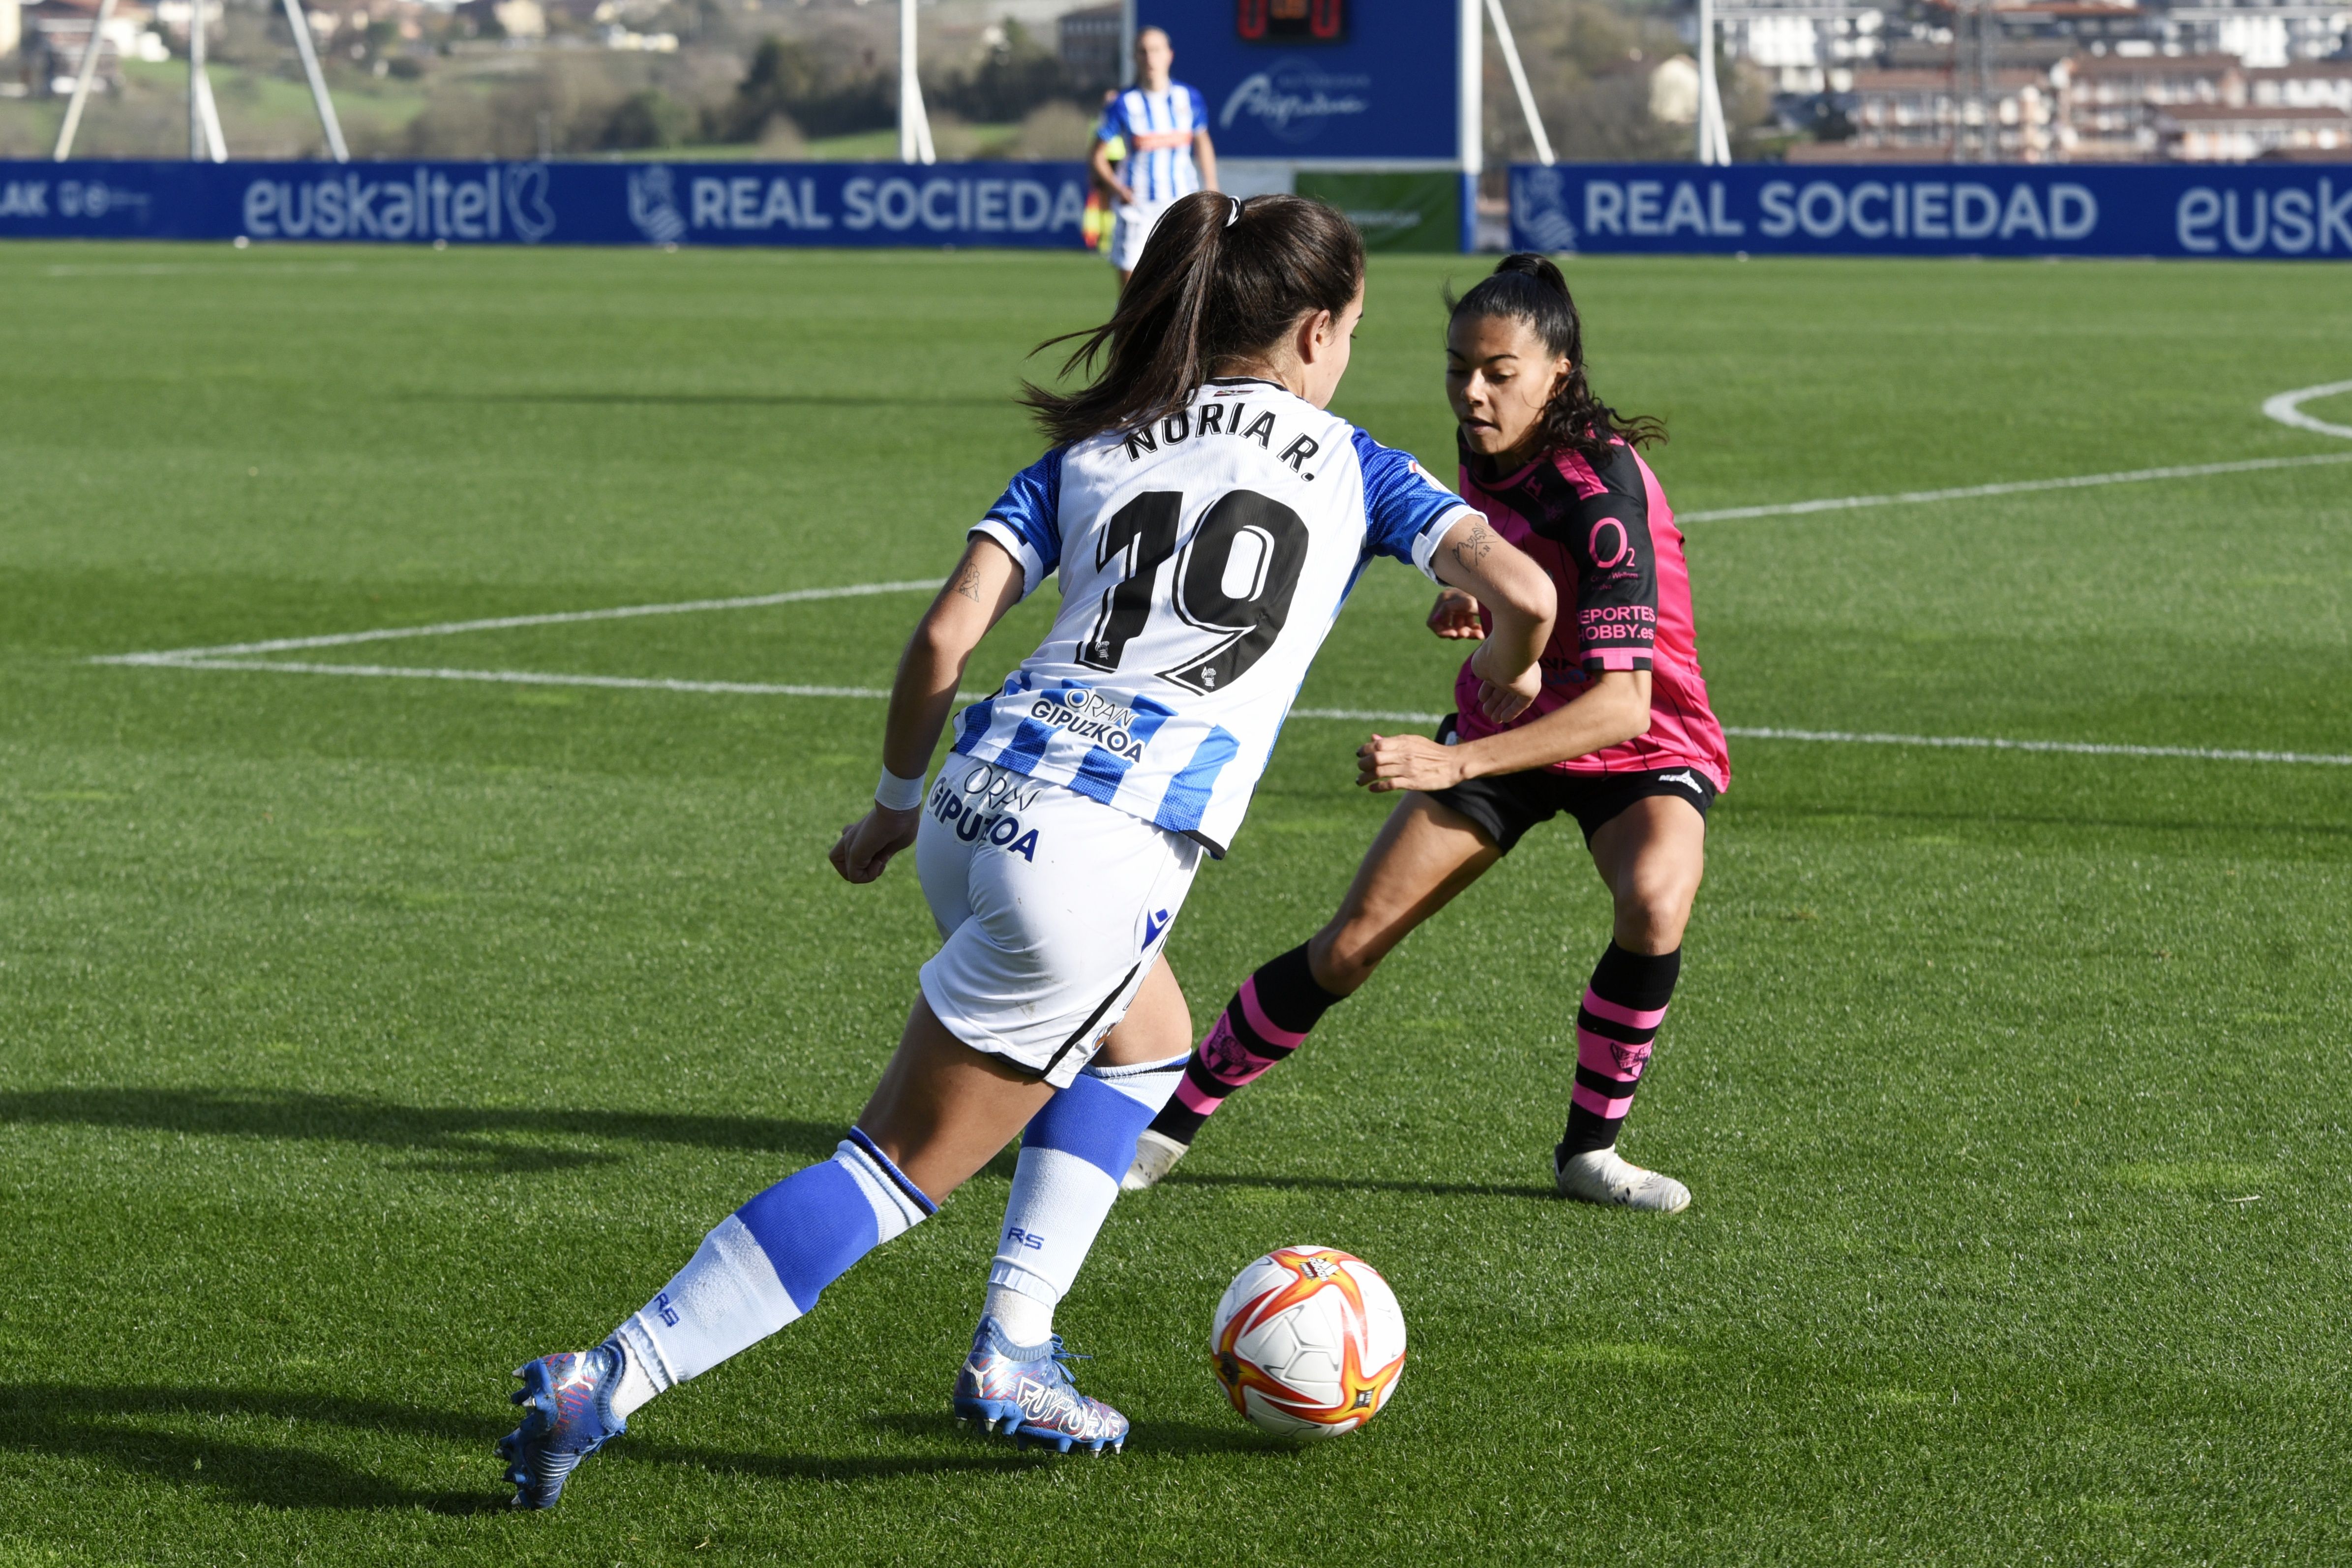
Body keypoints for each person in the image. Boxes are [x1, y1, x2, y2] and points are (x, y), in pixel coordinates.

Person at [494, 195, 1557, 1507]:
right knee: (886, 1172)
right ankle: (613, 1374)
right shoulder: (1359, 466)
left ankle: (1015, 1341)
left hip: (970, 803)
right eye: (1349, 335)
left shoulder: (1093, 450)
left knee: (1148, 1042)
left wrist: (889, 806)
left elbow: (943, 642)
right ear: (1314, 332)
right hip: (1095, 854)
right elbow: (1528, 593)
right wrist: (1504, 680)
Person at [1121, 254, 1731, 1213]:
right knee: (1351, 945)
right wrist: (1471, 603)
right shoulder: (1487, 449)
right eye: (1459, 368)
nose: (1473, 392)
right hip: (1510, 714)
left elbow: (1621, 704)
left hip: (1639, 735)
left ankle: (1589, 1151)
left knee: (1655, 898)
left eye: (1499, 373)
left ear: (1559, 372)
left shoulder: (1600, 490)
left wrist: (1454, 758)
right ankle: (1161, 1124)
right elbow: (1517, 583)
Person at [1091, 27, 1218, 289]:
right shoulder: (1124, 104)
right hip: (1138, 205)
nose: (1150, 58)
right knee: (1131, 287)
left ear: (1169, 55)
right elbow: (1097, 156)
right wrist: (1118, 189)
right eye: (1143, 51)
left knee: (1186, 281)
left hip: (1181, 202)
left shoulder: (1189, 98)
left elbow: (1202, 142)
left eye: (1156, 50)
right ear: (1135, 57)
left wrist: (1212, 185)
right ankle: (1130, 330)